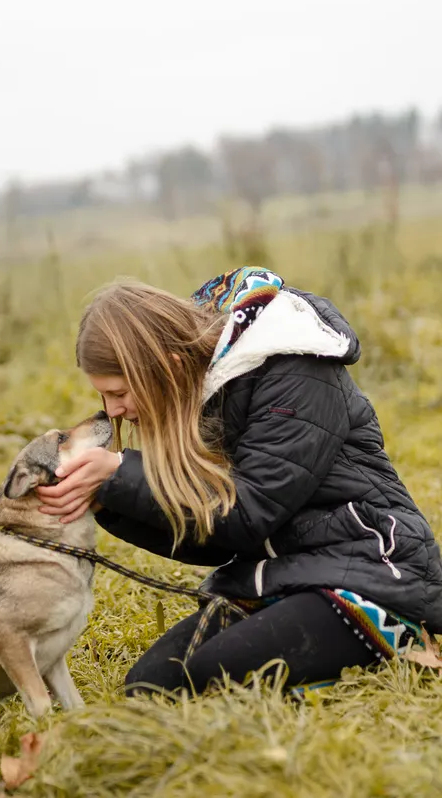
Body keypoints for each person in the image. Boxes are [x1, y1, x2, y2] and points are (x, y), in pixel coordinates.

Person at [36, 267, 442, 695]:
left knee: (214, 675)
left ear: (165, 365)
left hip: (371, 570)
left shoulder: (294, 369)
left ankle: (401, 635)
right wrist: (110, 499)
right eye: (103, 395)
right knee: (150, 687)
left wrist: (121, 474)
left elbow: (250, 513)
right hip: (280, 574)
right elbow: (217, 539)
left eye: (119, 393)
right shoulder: (201, 383)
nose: (112, 411)